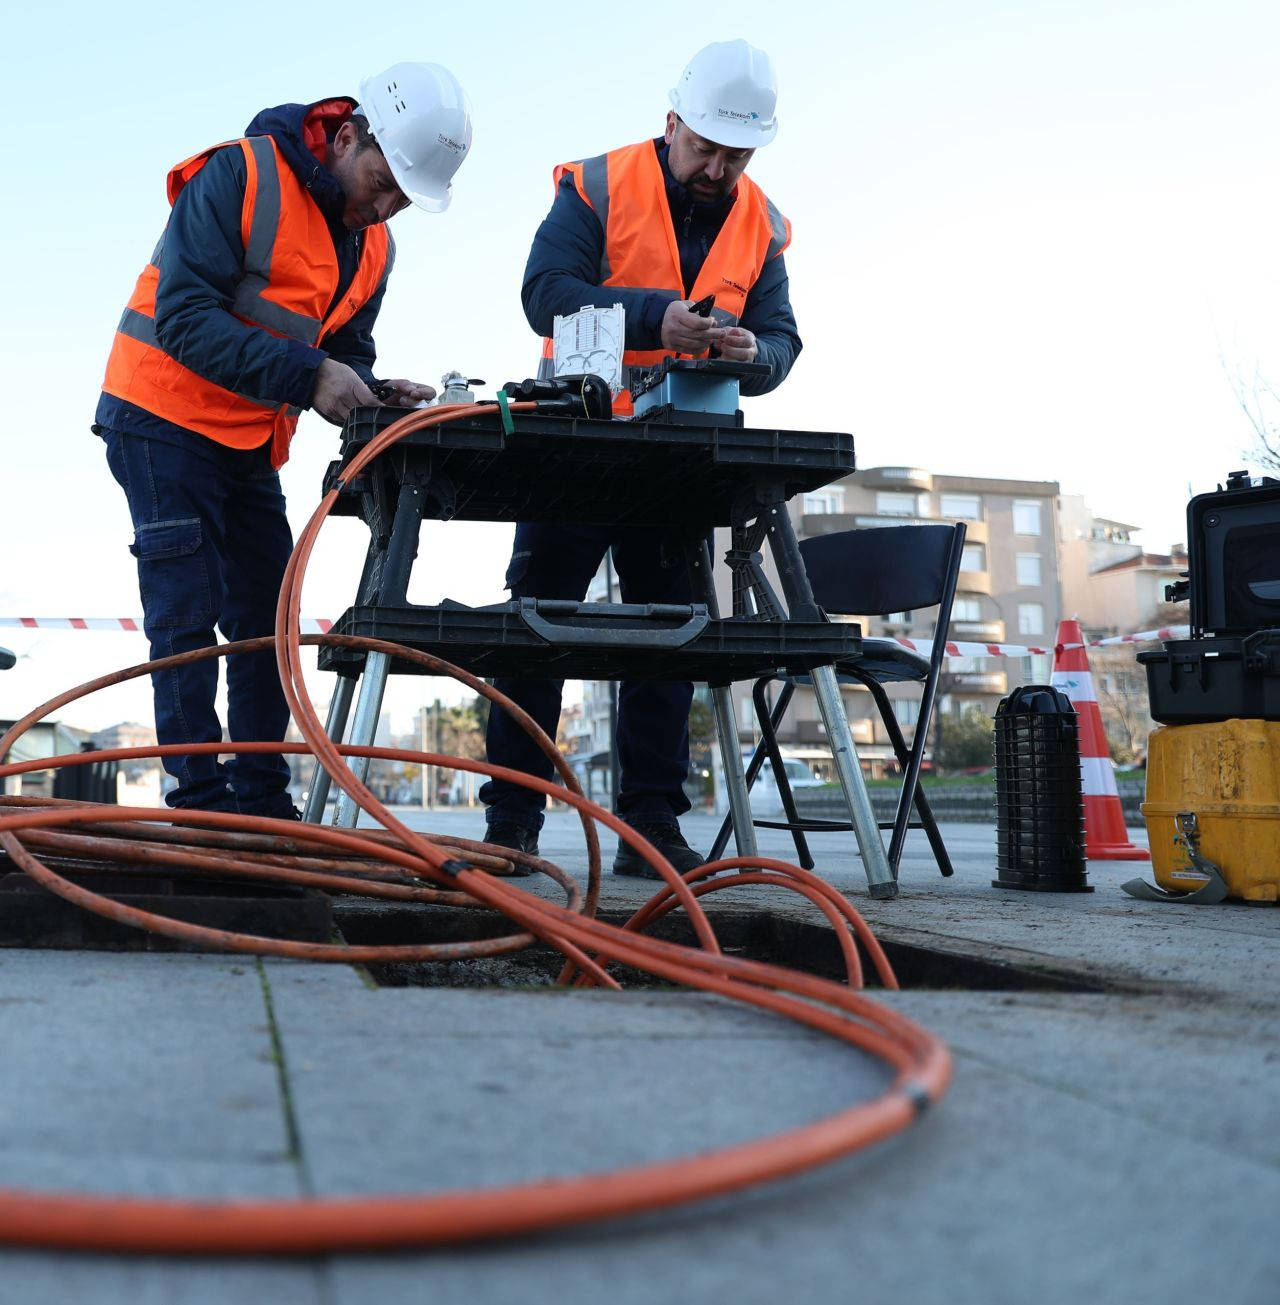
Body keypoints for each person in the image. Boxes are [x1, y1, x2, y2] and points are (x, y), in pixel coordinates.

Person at [95, 63, 472, 818]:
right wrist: (311, 376)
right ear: (343, 137)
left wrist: (370, 387)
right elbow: (183, 317)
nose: (386, 205)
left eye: (403, 198)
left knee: (269, 618)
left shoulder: (374, 249)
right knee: (186, 608)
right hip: (160, 417)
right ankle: (202, 805)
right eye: (382, 180)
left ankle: (263, 804)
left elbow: (344, 347)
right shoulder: (240, 175)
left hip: (246, 438)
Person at [480, 39, 802, 877]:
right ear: (672, 124)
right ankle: (511, 816)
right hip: (575, 446)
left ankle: (650, 819)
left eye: (737, 154)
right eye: (706, 149)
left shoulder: (760, 221)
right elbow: (544, 294)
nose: (719, 167)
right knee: (537, 623)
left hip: (678, 462)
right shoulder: (597, 184)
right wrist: (654, 318)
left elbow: (783, 340)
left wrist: (750, 356)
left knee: (670, 633)